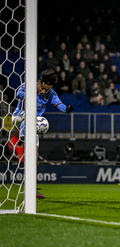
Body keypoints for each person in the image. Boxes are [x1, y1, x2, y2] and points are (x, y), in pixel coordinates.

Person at [12, 69, 74, 199]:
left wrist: (67, 109)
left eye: (46, 90)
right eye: (43, 88)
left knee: (34, 155)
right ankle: (23, 135)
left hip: (33, 124)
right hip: (19, 116)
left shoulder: (50, 93)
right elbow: (18, 94)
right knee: (27, 116)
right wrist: (32, 93)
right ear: (40, 82)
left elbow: (59, 104)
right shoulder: (29, 86)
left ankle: (32, 189)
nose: (44, 92)